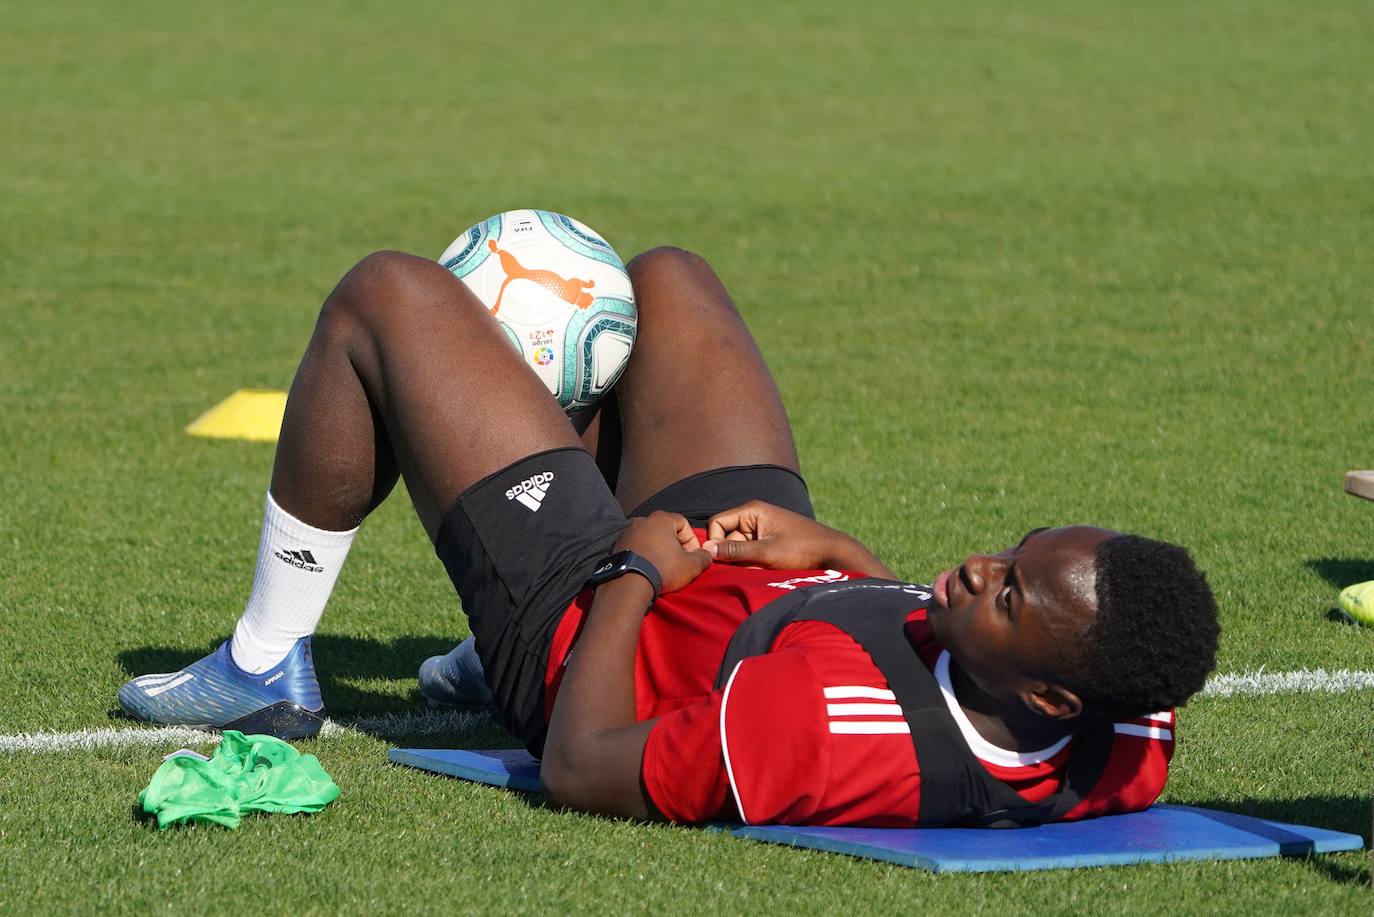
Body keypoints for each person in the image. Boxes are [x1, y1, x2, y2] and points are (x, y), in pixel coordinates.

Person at [118, 245, 1220, 827]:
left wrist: (636, 570)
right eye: (1018, 551)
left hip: (588, 630)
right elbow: (944, 668)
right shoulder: (1129, 727)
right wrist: (833, 553)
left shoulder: (811, 731)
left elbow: (582, 764)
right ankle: (506, 566)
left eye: (1013, 592)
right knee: (667, 284)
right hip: (744, 579)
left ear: (1053, 698)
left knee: (386, 294)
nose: (987, 564)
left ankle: (262, 661)